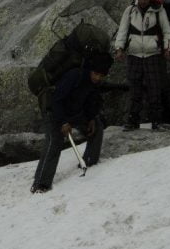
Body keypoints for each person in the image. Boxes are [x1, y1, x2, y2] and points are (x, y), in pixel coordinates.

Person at [30, 55, 125, 193]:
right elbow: (56, 99)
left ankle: (89, 162)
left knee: (97, 126)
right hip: (54, 111)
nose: (98, 78)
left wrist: (91, 118)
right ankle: (40, 184)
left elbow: (92, 100)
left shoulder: (94, 82)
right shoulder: (74, 75)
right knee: (54, 142)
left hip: (74, 112)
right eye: (96, 74)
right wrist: (63, 122)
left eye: (101, 75)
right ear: (90, 70)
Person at [114, 0, 170, 131]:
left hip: (153, 54)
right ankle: (132, 121)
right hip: (134, 55)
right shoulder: (130, 11)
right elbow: (122, 30)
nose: (143, 0)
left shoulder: (158, 10)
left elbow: (167, 31)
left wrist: (167, 49)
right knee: (135, 89)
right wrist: (119, 48)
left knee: (154, 88)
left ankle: (156, 121)